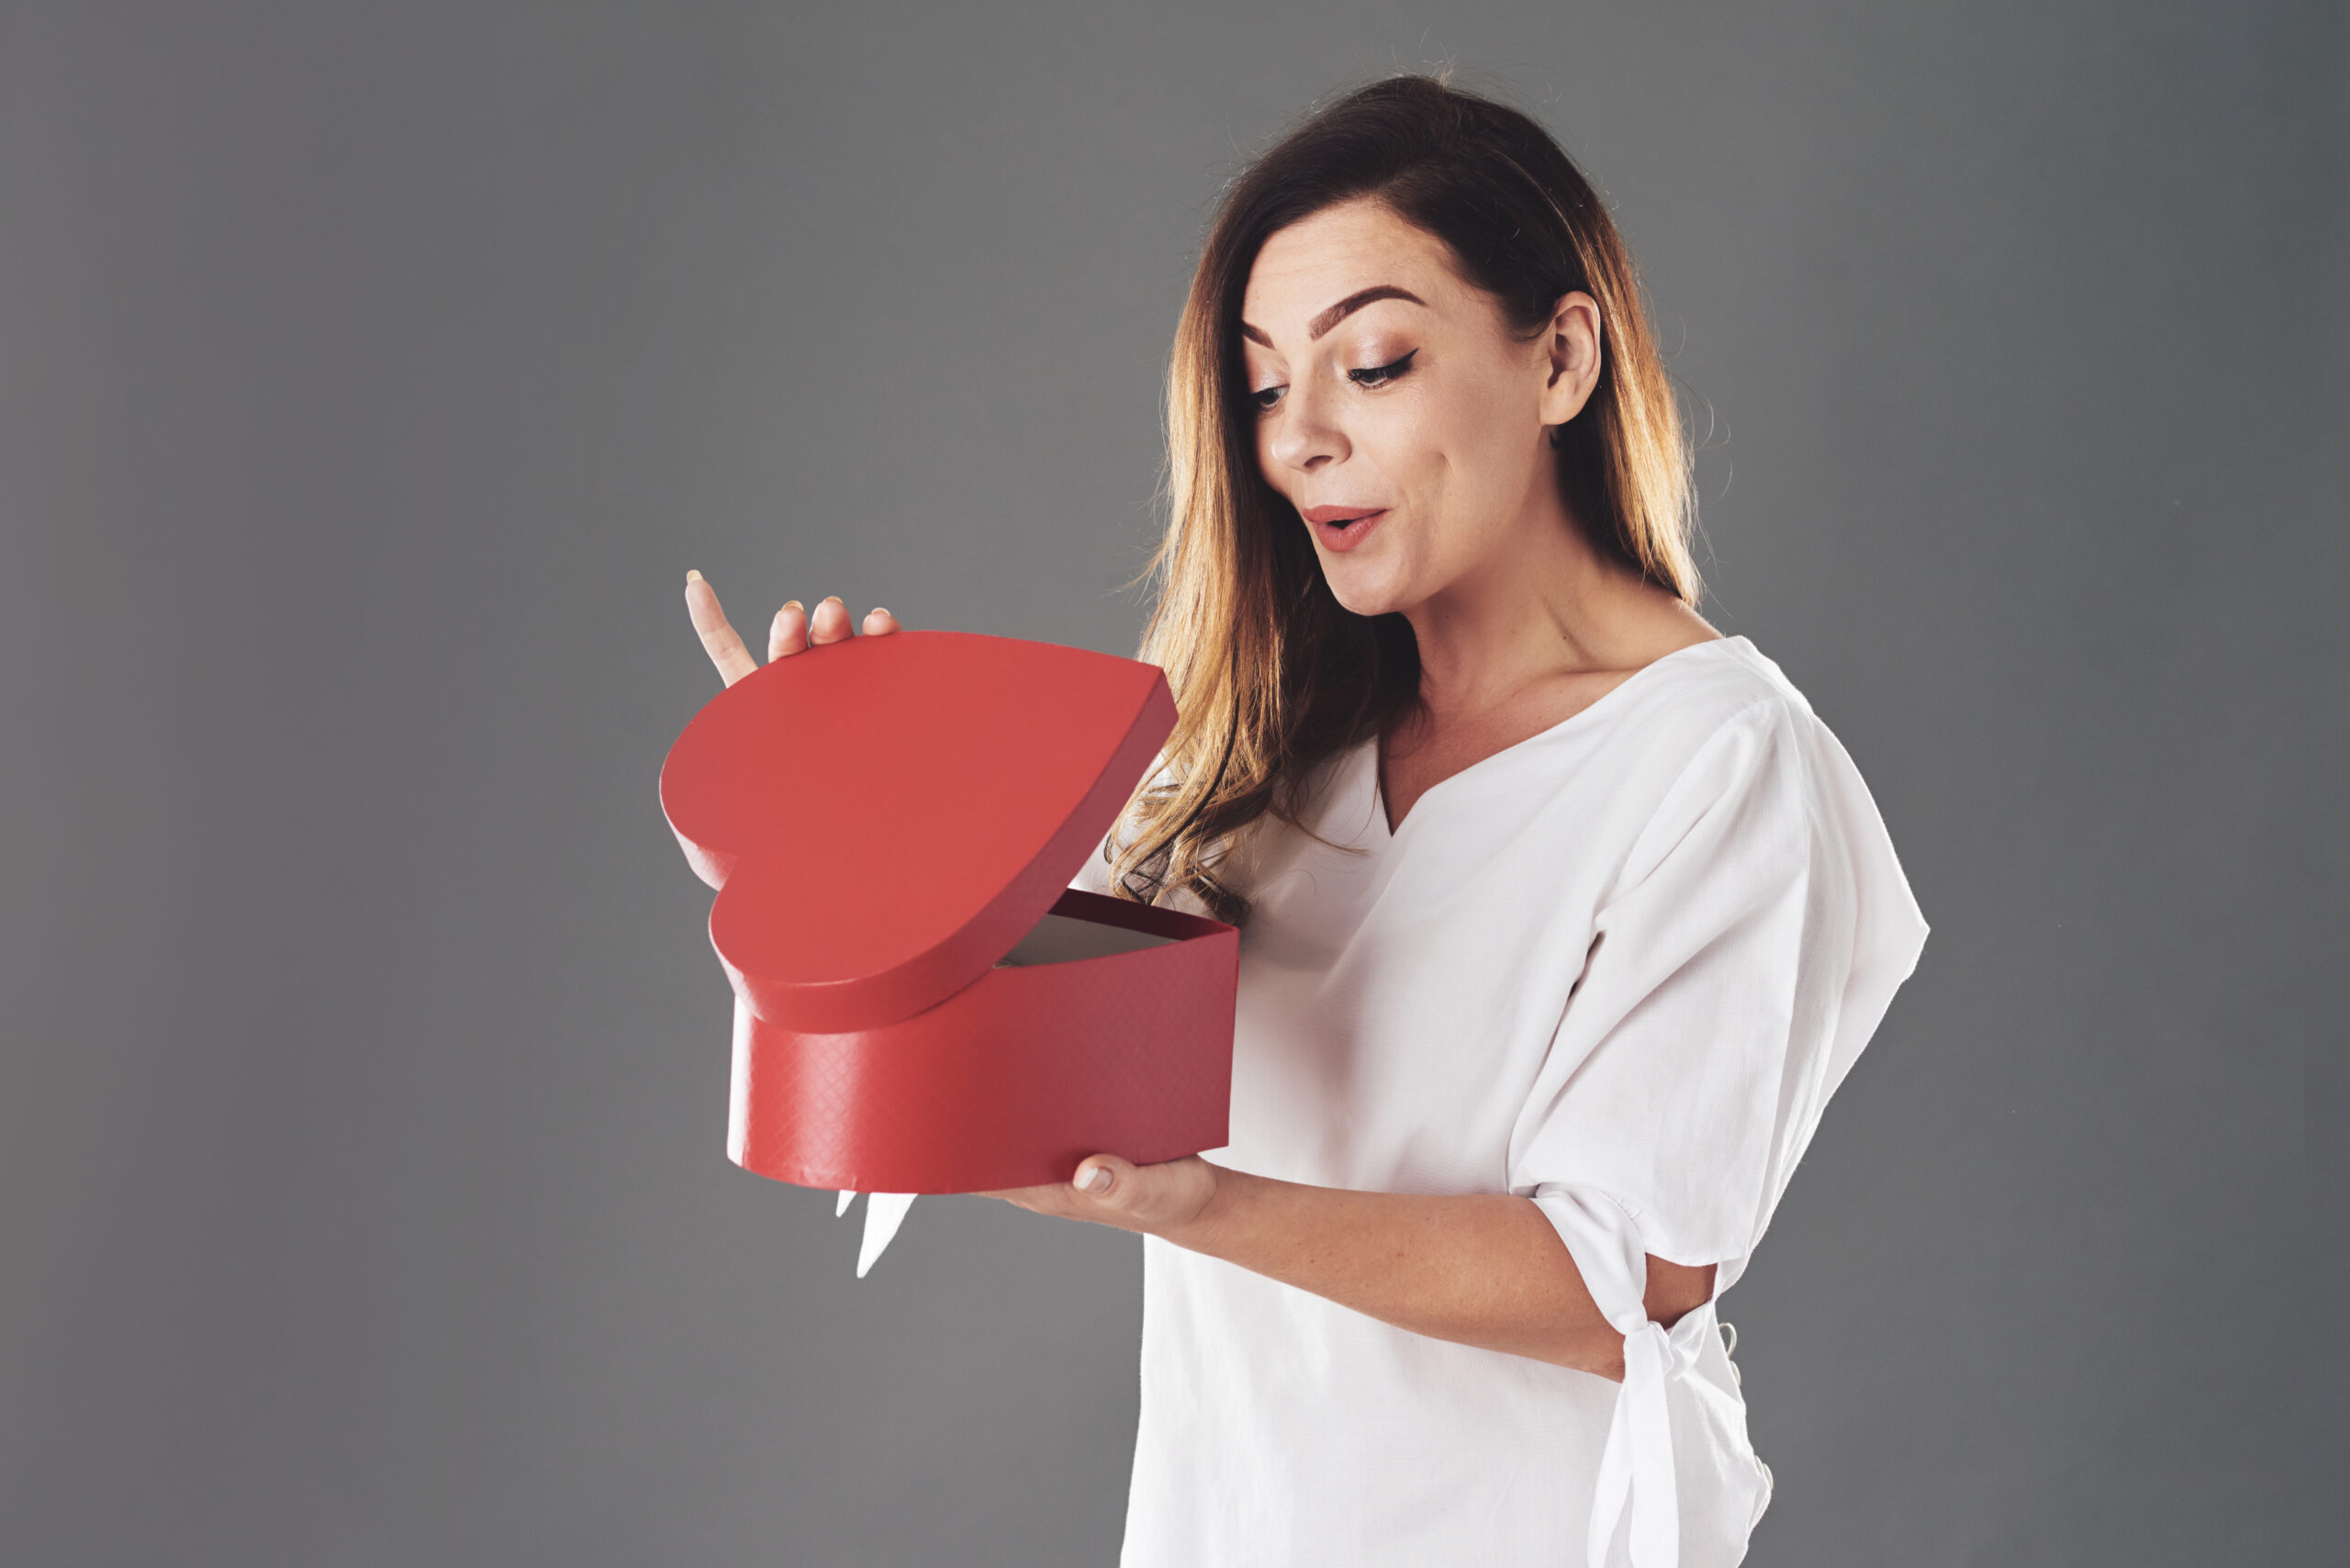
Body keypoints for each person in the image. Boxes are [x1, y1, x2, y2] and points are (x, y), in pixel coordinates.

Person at [683, 73, 1927, 1568]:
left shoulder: (1718, 768)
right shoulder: (1270, 751)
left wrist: (1204, 1203)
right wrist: (828, 844)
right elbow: (984, 1044)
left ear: (1563, 358)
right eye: (1267, 386)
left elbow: (1624, 1279)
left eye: (1377, 362)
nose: (1298, 441)